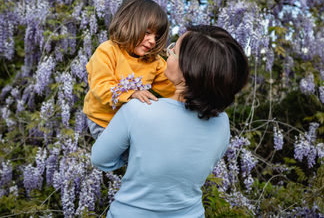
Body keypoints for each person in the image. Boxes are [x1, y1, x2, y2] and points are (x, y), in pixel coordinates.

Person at [91, 25, 250, 218]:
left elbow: (100, 159)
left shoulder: (139, 109)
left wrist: (137, 153)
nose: (167, 53)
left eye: (174, 51)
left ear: (188, 69)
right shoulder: (222, 123)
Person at [83, 0, 175, 139]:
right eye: (147, 32)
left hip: (130, 123)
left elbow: (172, 87)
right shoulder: (107, 51)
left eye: (156, 37)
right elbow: (101, 87)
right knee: (126, 156)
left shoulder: (153, 61)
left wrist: (193, 96)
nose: (152, 41)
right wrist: (132, 93)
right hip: (103, 122)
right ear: (127, 24)